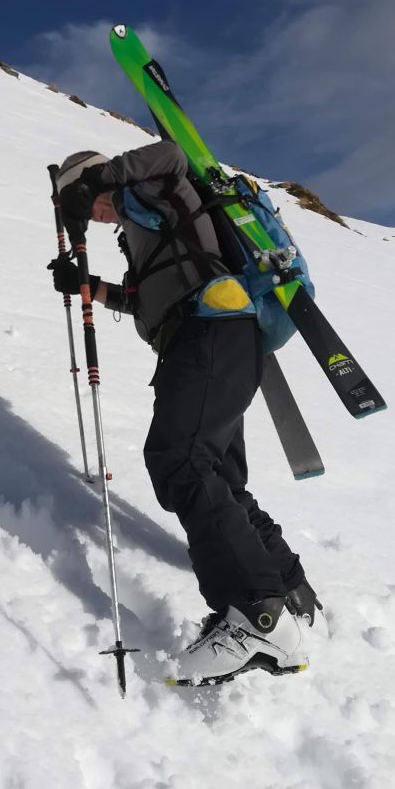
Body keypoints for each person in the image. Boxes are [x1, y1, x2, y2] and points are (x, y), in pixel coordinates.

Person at [50, 141, 322, 685]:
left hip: (212, 334)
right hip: (215, 341)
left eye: (82, 198)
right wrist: (91, 289)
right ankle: (291, 590)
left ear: (93, 179)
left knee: (179, 459)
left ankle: (257, 612)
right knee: (216, 473)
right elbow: (147, 299)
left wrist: (100, 179)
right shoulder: (141, 227)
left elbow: (173, 154)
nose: (91, 215)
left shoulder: (149, 185)